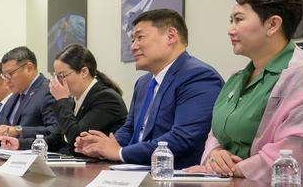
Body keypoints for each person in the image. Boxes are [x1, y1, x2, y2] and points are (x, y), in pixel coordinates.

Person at [186, 0, 303, 187]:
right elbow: (215, 134)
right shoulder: (236, 79)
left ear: (273, 25)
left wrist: (229, 170)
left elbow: (296, 154)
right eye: (231, 20)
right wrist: (215, 155)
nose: (230, 30)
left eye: (238, 20)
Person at [76, 9, 223, 169]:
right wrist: (102, 147)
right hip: (137, 171)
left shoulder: (198, 76)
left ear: (171, 36)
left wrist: (120, 152)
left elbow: (182, 138)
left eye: (140, 38)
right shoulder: (143, 82)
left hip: (175, 175)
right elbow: (130, 129)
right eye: (132, 40)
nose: (133, 47)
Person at [0, 44, 127, 154]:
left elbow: (75, 138)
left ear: (84, 72)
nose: (57, 81)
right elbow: (57, 138)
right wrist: (20, 144)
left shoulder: (106, 98)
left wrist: (62, 100)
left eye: (61, 75)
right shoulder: (74, 99)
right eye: (55, 76)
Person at [0, 46, 59, 142]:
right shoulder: (15, 95)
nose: (6, 80)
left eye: (10, 73)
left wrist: (18, 130)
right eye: (4, 75)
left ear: (29, 69)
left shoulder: (49, 90)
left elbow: (54, 131)